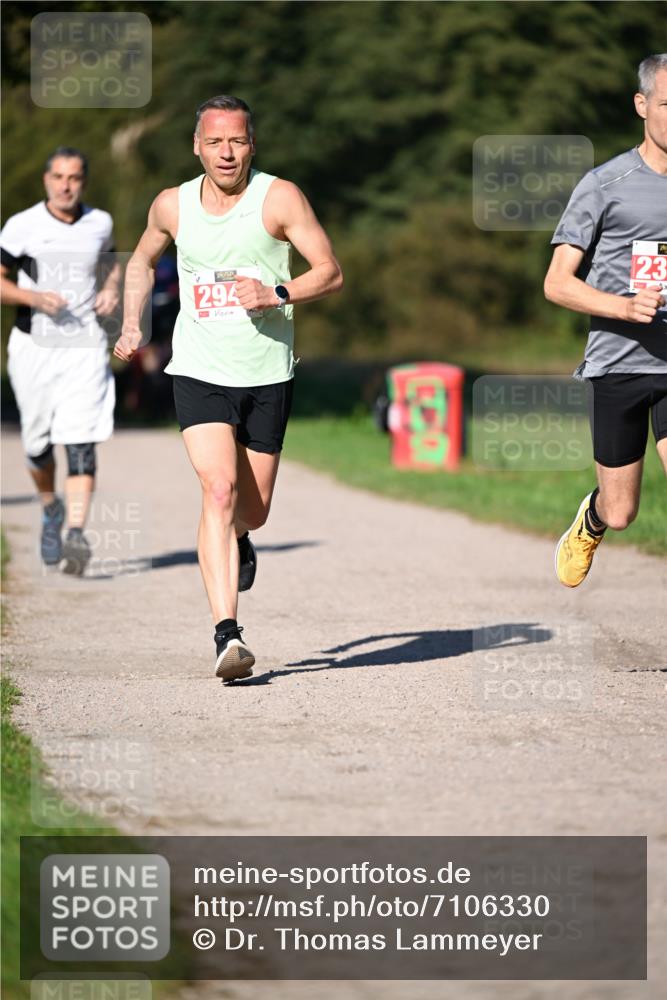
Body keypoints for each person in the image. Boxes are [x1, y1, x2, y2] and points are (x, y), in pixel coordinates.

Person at [114, 95, 343, 680]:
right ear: (197, 146)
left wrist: (277, 294)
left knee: (253, 510)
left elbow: (330, 271)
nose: (226, 152)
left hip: (266, 373)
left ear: (252, 144)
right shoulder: (173, 205)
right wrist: (133, 322)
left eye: (237, 141)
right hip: (198, 370)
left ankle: (241, 536)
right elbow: (141, 259)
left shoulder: (279, 198)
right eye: (214, 141)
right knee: (216, 491)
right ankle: (228, 634)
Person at [545, 54, 667, 588]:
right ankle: (592, 520)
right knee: (622, 512)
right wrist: (623, 306)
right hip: (619, 362)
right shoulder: (605, 183)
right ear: (642, 106)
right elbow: (557, 282)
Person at [1, 147, 120, 575]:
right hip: (34, 347)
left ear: (83, 182)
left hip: (85, 345)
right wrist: (32, 297)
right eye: (58, 177)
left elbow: (111, 262)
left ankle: (74, 532)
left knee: (82, 440)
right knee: (38, 445)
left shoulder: (99, 223)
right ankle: (50, 507)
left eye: (74, 178)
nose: (65, 185)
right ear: (46, 180)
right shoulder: (22, 227)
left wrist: (110, 288)